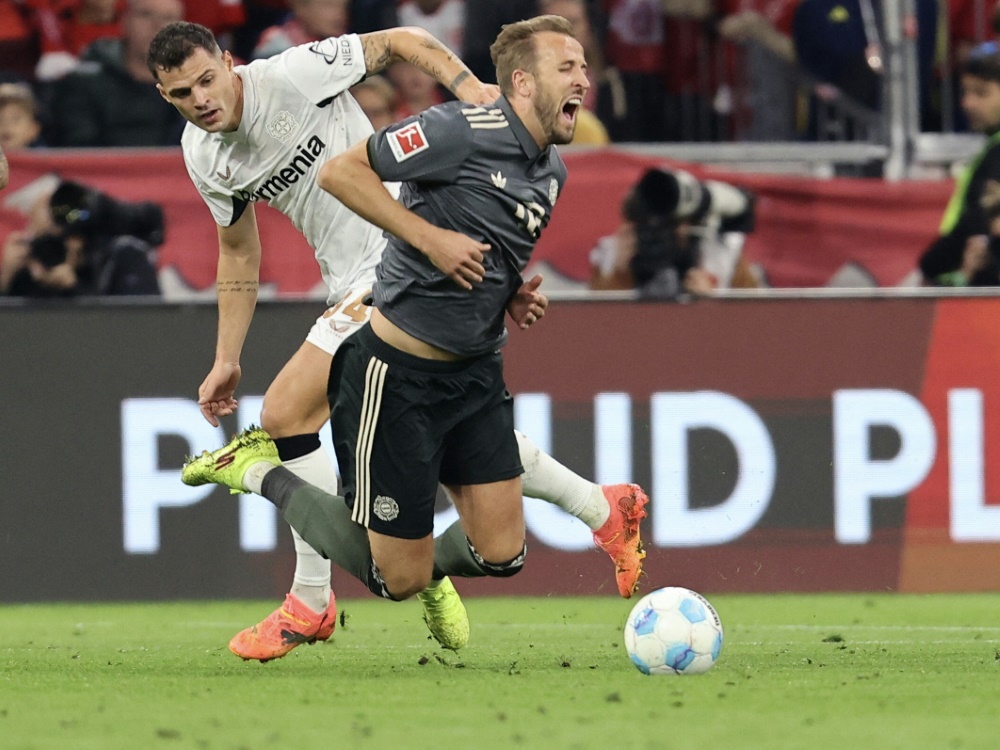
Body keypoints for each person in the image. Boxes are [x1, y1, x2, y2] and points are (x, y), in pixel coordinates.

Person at [150, 19, 647, 662]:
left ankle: (311, 599)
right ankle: (594, 506)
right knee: (432, 434)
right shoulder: (202, 153)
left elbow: (402, 41)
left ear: (228, 60)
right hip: (358, 282)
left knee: (283, 415)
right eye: (181, 95)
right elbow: (239, 253)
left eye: (207, 80)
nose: (201, 101)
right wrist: (226, 357)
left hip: (398, 265)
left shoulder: (292, 75)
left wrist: (469, 87)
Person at [589, 166, 758, 297]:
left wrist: (713, 305)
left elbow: (757, 324)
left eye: (671, 224)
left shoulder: (724, 256)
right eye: (649, 225)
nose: (660, 234)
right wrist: (620, 276)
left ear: (693, 222)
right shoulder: (609, 255)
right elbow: (593, 328)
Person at [49, 0, 185, 146]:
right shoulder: (84, 83)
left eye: (168, 18)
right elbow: (78, 152)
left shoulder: (195, 87)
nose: (157, 26)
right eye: (145, 15)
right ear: (124, 22)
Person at [920, 45, 1000, 286]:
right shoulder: (990, 150)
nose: (968, 103)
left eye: (981, 93)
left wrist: (935, 267)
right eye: (965, 93)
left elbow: (976, 222)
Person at [1, 179, 163, 297]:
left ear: (78, 240)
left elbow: (140, 328)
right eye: (44, 241)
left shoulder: (123, 257)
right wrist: (6, 279)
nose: (53, 251)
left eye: (61, 239)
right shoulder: (32, 271)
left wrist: (74, 289)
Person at [251, 0, 349, 59]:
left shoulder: (346, 44)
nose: (339, 15)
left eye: (343, 6)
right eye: (329, 6)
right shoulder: (275, 43)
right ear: (300, 7)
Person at [0, 82, 44, 149]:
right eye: (0, 120)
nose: (7, 125)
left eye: (15, 119)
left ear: (33, 129)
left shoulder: (42, 158)